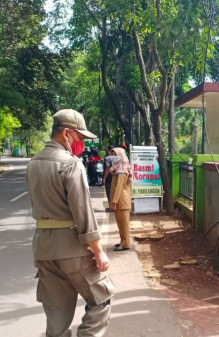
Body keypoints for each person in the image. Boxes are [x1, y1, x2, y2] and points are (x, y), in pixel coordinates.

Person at [26, 109, 115, 337]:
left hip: (44, 249)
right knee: (102, 298)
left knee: (56, 317)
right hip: (72, 247)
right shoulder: (70, 164)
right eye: (80, 138)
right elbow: (82, 212)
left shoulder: (33, 163)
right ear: (67, 133)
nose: (81, 144)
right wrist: (98, 252)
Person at [109, 147, 133, 251]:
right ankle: (122, 241)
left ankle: (125, 244)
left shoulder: (122, 171)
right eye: (113, 155)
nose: (113, 157)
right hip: (120, 201)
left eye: (115, 155)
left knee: (124, 225)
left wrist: (114, 202)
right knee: (120, 224)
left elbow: (119, 188)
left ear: (121, 155)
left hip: (121, 201)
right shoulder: (118, 168)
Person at [102, 145, 115, 211]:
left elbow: (107, 169)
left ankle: (111, 207)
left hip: (109, 176)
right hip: (116, 176)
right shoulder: (118, 157)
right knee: (115, 191)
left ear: (108, 150)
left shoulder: (108, 158)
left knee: (109, 191)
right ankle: (114, 206)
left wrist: (104, 178)